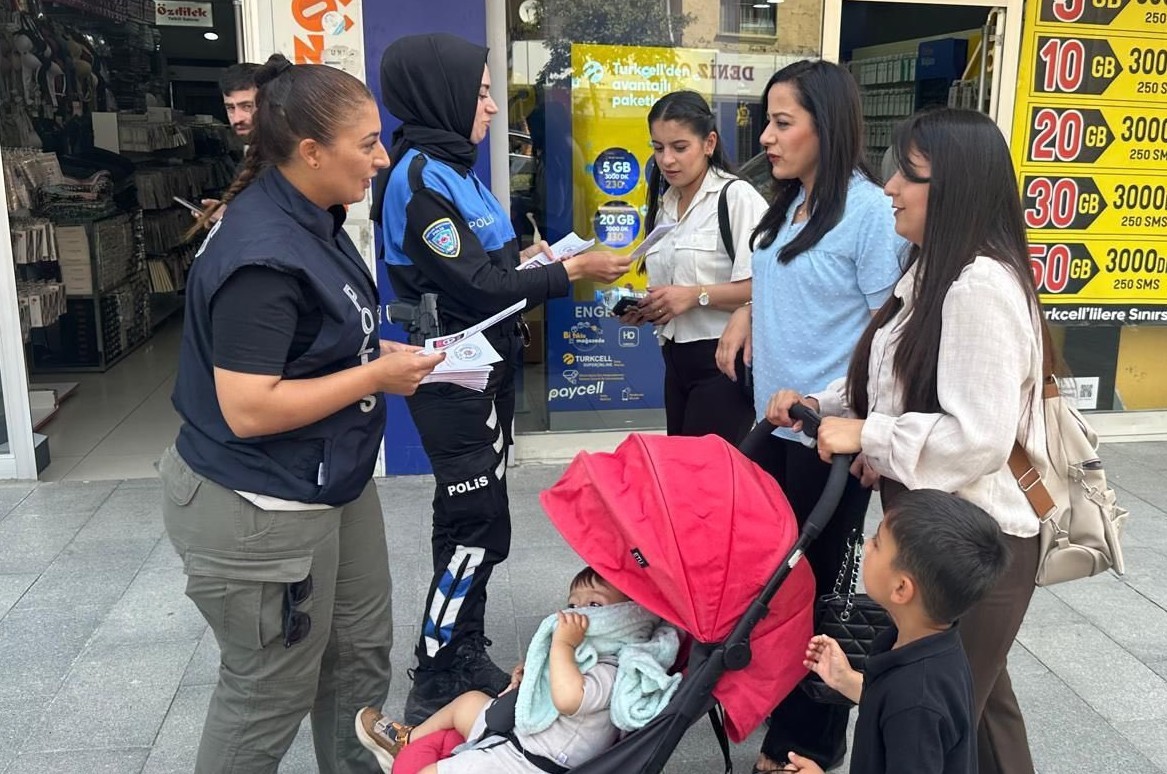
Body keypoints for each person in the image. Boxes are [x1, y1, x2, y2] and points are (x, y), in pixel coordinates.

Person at [161, 54, 444, 774]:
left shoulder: (316, 216)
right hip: (258, 501)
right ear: (311, 151)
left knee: (357, 659)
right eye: (367, 143)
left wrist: (373, 353)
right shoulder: (262, 255)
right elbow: (250, 408)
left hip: (327, 484)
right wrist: (376, 374)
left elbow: (314, 344)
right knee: (267, 693)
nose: (381, 158)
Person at [768, 107, 1049, 774]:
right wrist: (822, 405)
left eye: (908, 175)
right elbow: (892, 377)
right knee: (981, 708)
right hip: (941, 528)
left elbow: (976, 438)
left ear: (953, 188)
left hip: (977, 543)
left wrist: (867, 433)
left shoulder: (977, 285)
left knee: (930, 718)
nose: (889, 186)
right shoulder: (931, 271)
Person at [374, 33, 632, 725]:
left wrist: (533, 254)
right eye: (482, 92)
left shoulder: (456, 170)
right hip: (449, 378)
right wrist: (570, 270)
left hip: (483, 369)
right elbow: (481, 287)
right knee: (476, 521)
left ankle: (460, 647)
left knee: (470, 519)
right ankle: (436, 672)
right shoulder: (419, 178)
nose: (491, 107)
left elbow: (485, 268)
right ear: (444, 93)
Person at [713, 60, 907, 772]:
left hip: (828, 437)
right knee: (768, 587)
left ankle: (804, 749)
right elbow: (781, 285)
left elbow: (887, 334)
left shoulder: (864, 215)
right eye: (765, 120)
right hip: (775, 429)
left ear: (827, 127)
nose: (765, 136)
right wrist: (743, 316)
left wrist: (851, 417)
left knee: (818, 598)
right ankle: (768, 714)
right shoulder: (786, 204)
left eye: (781, 122)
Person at [783, 490, 1010, 774]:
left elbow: (906, 711)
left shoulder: (916, 703)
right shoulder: (936, 646)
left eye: (877, 543)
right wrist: (846, 681)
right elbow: (891, 704)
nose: (866, 546)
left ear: (901, 588)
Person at [354, 568, 633, 773]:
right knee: (469, 701)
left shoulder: (610, 670)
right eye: (573, 604)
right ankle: (407, 739)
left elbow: (568, 698)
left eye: (595, 605)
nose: (577, 613)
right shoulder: (582, 653)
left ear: (628, 617)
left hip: (528, 762)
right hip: (521, 732)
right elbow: (547, 695)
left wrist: (562, 644)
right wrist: (527, 681)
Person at [620, 90, 768, 443]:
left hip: (723, 358)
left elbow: (765, 287)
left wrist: (693, 296)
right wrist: (650, 308)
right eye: (658, 148)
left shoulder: (736, 197)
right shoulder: (666, 201)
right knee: (680, 477)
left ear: (709, 142)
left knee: (705, 481)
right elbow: (675, 287)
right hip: (674, 358)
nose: (667, 160)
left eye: (679, 147)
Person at [201, 62, 260, 220]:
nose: (237, 118)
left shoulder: (287, 158)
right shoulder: (251, 159)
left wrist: (230, 217)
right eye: (230, 108)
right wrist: (226, 213)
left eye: (247, 106)